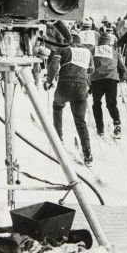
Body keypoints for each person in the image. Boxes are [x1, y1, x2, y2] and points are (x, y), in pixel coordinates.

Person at [45, 29, 94, 164]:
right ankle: (87, 152)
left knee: (57, 106)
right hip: (81, 87)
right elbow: (91, 70)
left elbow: (54, 65)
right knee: (80, 120)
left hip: (64, 84)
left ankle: (58, 138)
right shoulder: (87, 51)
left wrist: (49, 81)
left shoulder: (63, 49)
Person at [90, 25, 125, 138]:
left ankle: (100, 128)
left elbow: (89, 65)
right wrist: (121, 76)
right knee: (111, 103)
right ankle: (117, 123)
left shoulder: (93, 50)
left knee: (96, 103)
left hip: (97, 80)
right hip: (111, 79)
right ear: (109, 42)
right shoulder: (114, 51)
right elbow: (122, 67)